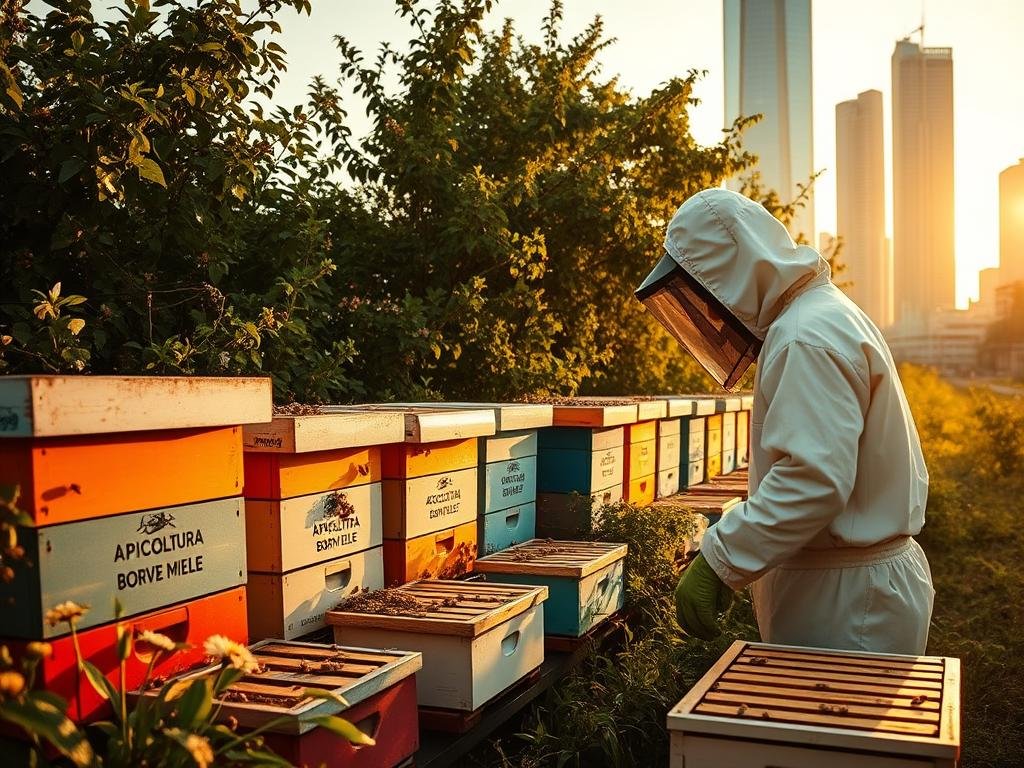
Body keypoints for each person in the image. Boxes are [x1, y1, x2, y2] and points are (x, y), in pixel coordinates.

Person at [635, 188, 934, 654]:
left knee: (832, 726)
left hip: (849, 604)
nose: (711, 317)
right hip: (848, 587)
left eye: (705, 295)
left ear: (731, 273)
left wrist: (720, 556)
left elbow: (813, 479)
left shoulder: (804, 335)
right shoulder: (818, 316)